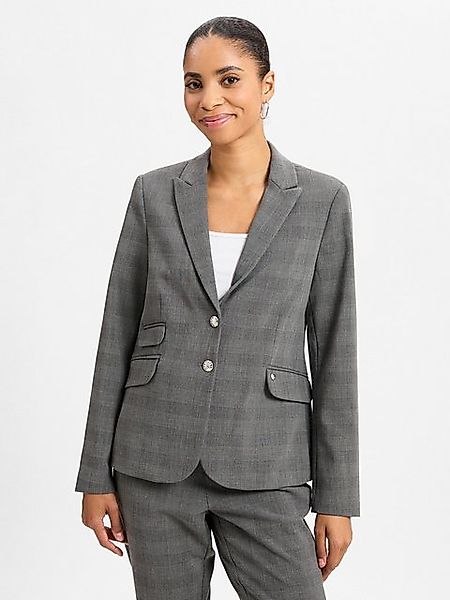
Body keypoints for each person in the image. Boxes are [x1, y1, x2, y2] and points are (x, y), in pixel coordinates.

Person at [75, 15, 360, 600]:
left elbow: (336, 349)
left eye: (229, 79)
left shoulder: (322, 200)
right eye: (194, 83)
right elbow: (117, 334)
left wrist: (338, 497)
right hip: (153, 458)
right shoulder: (154, 193)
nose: (209, 99)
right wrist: (94, 474)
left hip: (267, 460)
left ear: (267, 84)